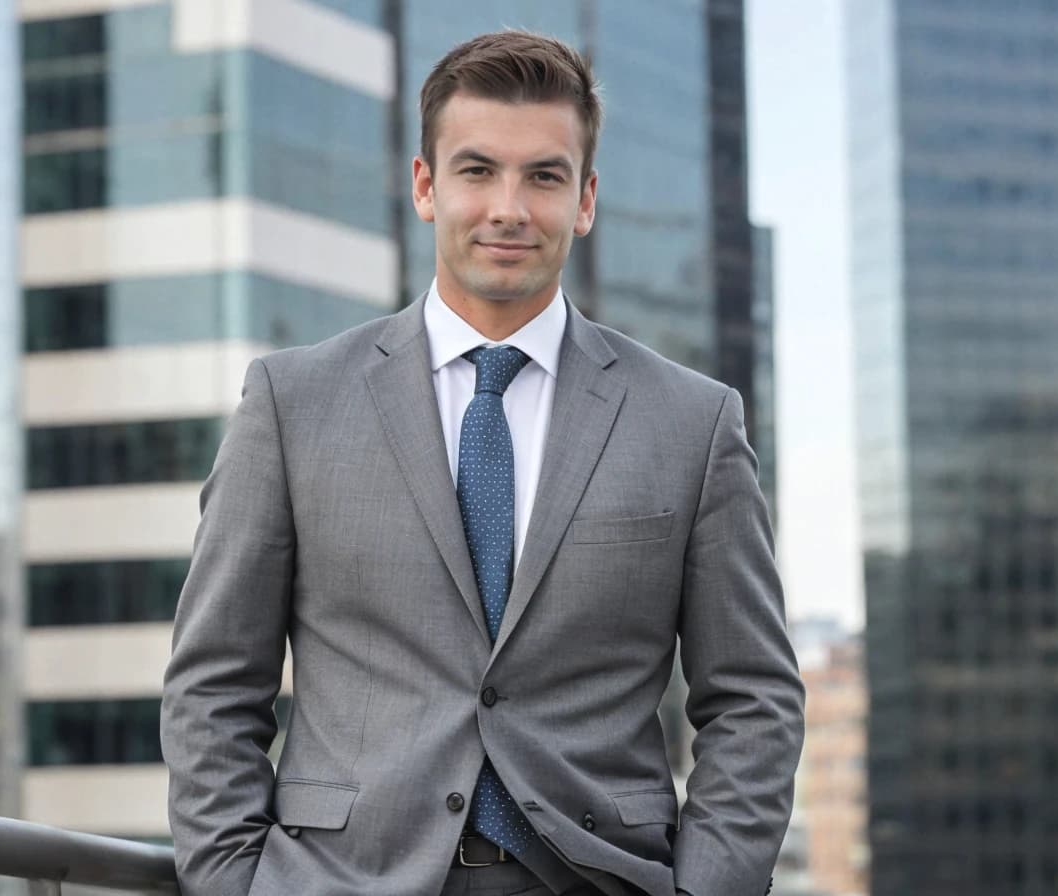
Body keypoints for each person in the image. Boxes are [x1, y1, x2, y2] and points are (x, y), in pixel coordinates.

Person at [161, 29, 804, 896]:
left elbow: (753, 698)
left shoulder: (693, 423)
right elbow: (211, 684)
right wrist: (234, 884)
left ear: (585, 200)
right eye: (477, 171)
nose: (509, 207)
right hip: (343, 879)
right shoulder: (292, 403)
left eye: (544, 176)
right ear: (426, 187)